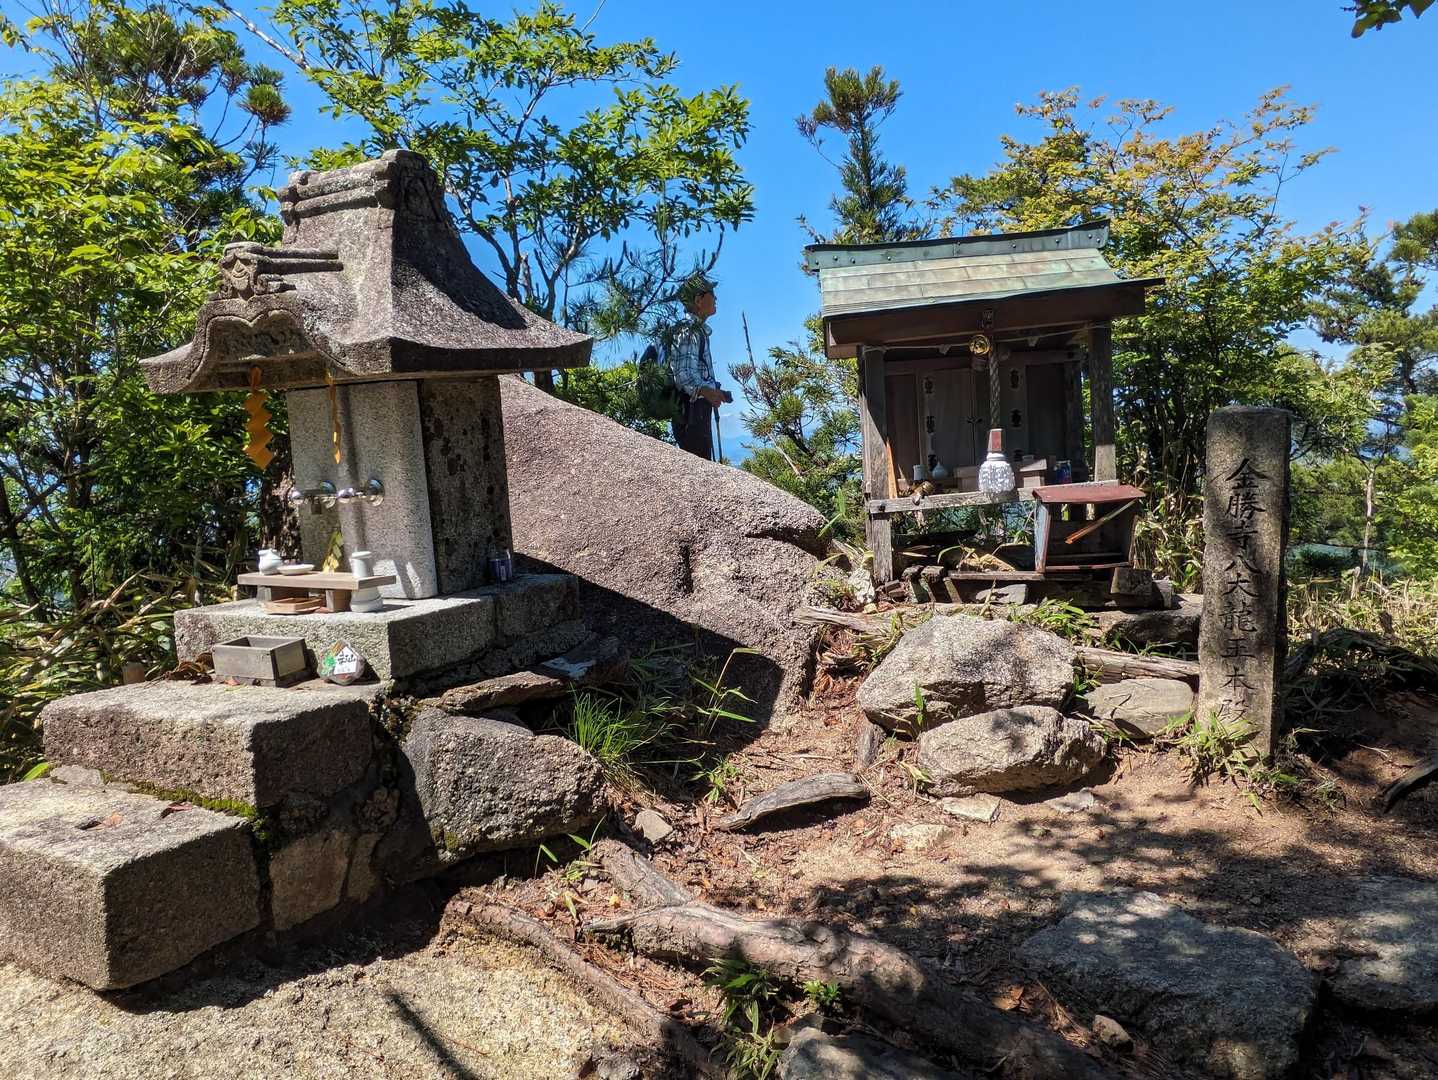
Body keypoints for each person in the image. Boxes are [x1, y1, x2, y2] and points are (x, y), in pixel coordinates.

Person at [668, 272, 732, 460]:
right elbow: (684, 375)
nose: (716, 298)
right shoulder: (689, 330)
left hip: (693, 412)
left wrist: (714, 391)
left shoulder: (695, 330)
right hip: (691, 413)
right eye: (712, 294)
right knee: (698, 465)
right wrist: (707, 391)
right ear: (698, 300)